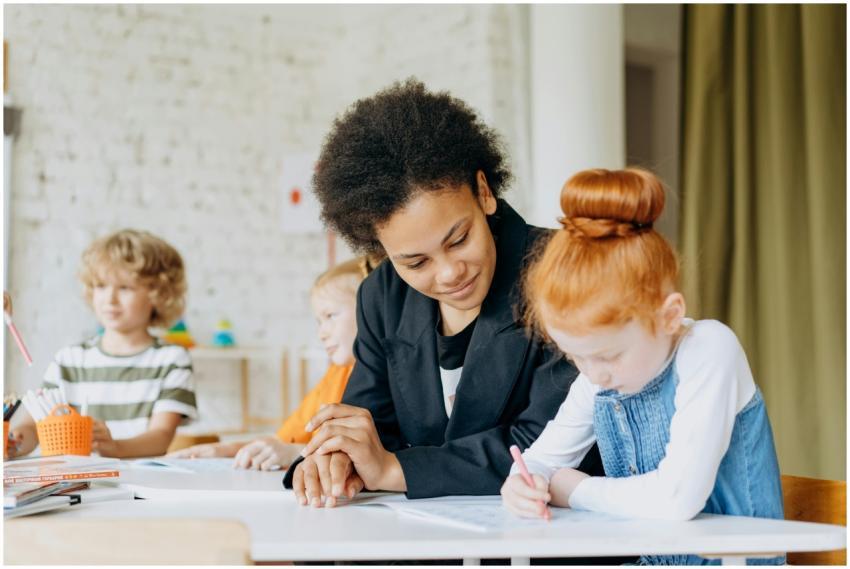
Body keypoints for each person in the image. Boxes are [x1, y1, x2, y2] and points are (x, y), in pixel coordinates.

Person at [286, 79, 604, 507]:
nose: (450, 273)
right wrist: (336, 459)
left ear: (484, 192)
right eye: (416, 262)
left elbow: (549, 443)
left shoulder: (566, 270)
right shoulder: (381, 296)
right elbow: (369, 423)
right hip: (428, 534)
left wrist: (393, 469)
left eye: (459, 239)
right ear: (382, 251)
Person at [500, 168, 784, 565]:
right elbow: (542, 459)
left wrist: (574, 489)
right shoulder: (597, 378)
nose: (593, 373)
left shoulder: (709, 349)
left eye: (609, 356)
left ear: (669, 315)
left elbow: (677, 498)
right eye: (574, 356)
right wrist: (522, 483)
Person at [8, 229, 198, 458]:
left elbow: (160, 436)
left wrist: (114, 447)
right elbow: (33, 427)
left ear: (158, 293)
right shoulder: (70, 360)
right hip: (80, 486)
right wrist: (13, 443)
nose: (110, 299)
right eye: (100, 285)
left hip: (141, 487)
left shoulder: (172, 360)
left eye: (125, 287)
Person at [169, 257, 372, 471]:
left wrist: (294, 453)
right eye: (318, 321)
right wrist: (225, 451)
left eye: (331, 315)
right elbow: (285, 441)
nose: (321, 333)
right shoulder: (336, 374)